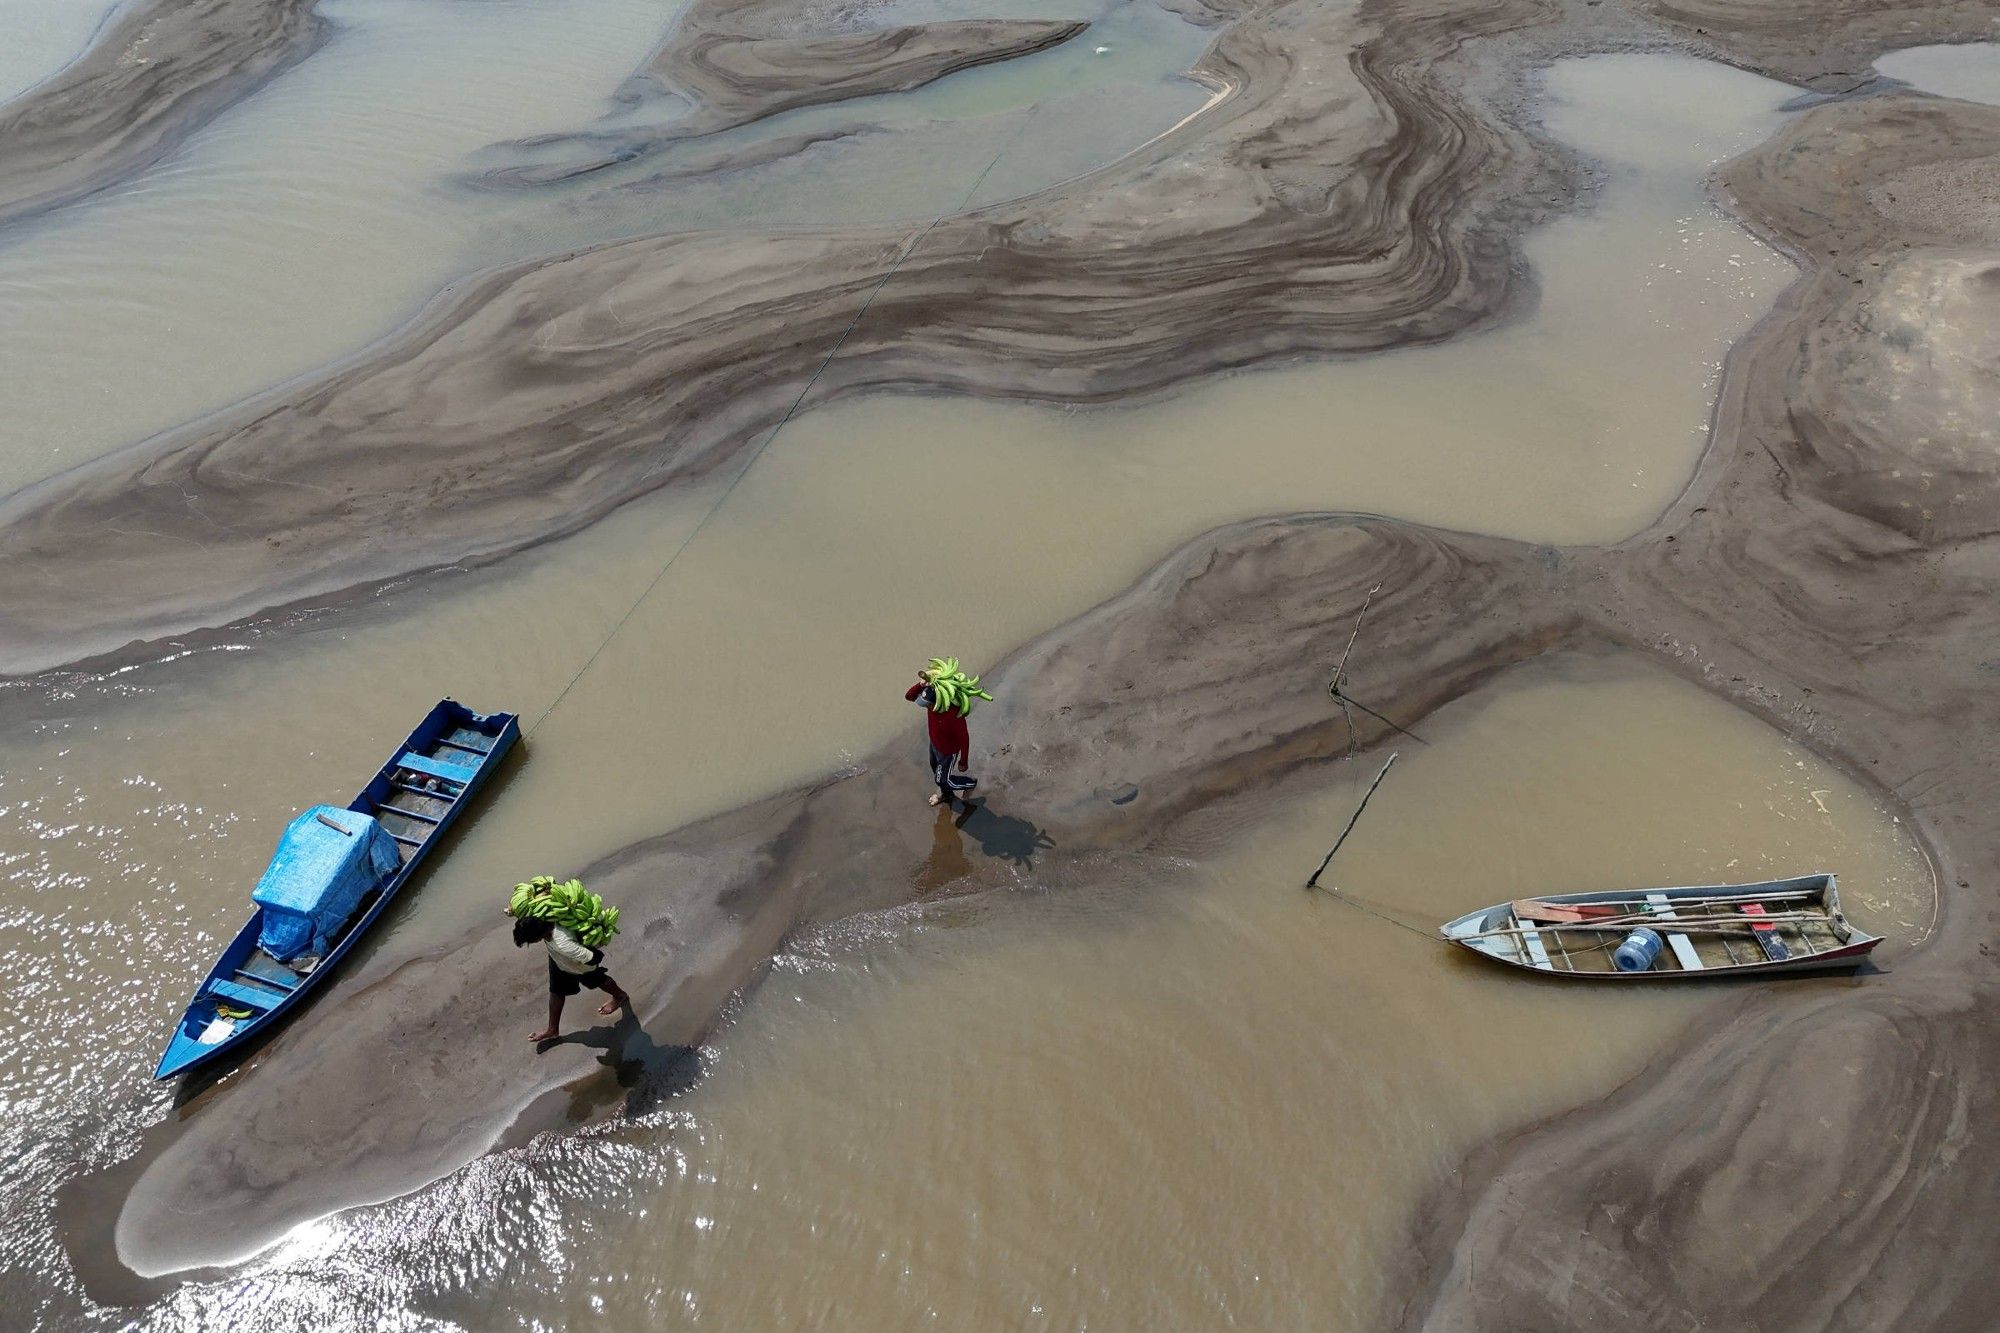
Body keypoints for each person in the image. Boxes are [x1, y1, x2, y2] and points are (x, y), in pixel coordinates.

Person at [514, 915, 631, 1042]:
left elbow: (592, 957)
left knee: (599, 980)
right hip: (558, 960)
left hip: (578, 966)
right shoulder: (546, 916)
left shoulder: (563, 944)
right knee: (556, 991)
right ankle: (552, 1029)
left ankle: (620, 996)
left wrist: (590, 947)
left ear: (537, 937)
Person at [906, 666, 977, 808]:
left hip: (948, 752)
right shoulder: (930, 700)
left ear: (938, 701)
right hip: (934, 744)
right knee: (935, 769)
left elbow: (964, 738)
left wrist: (963, 761)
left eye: (929, 705)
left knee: (943, 779)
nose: (927, 707)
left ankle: (970, 783)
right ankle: (946, 794)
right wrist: (920, 685)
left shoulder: (954, 714)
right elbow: (909, 697)